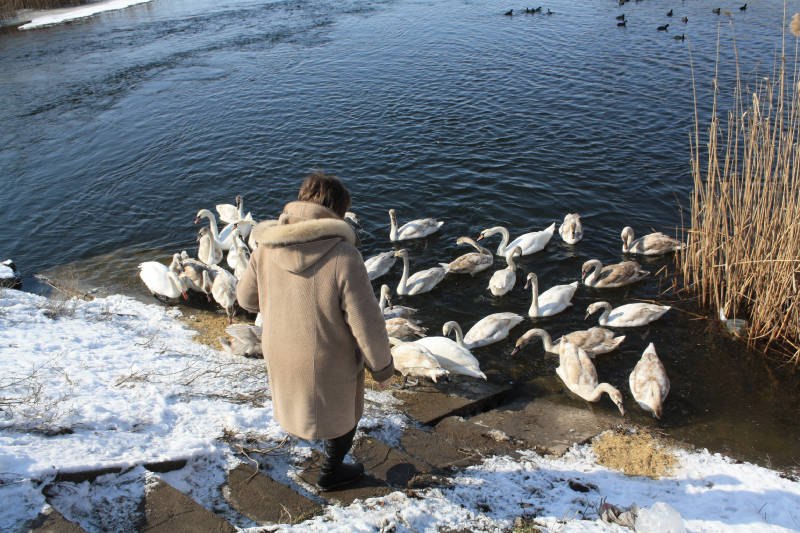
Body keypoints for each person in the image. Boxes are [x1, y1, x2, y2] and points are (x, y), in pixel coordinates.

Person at [236, 171, 394, 491]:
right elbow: (366, 322)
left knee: (303, 406)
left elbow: (246, 300)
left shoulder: (266, 246)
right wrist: (382, 367)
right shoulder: (344, 256)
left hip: (280, 349)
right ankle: (330, 474)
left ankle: (317, 452)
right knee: (344, 418)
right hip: (327, 358)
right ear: (339, 211)